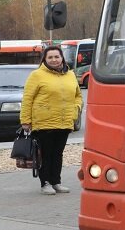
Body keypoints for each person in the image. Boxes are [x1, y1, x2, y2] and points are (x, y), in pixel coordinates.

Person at [20, 45, 83, 196]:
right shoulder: (37, 75)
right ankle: (45, 183)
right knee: (46, 154)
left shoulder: (70, 75)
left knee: (58, 153)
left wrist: (75, 110)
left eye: (57, 57)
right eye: (50, 57)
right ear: (44, 59)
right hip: (44, 122)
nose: (54, 60)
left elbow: (78, 96)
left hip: (65, 121)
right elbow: (27, 98)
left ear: (62, 58)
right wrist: (25, 120)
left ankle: (56, 181)